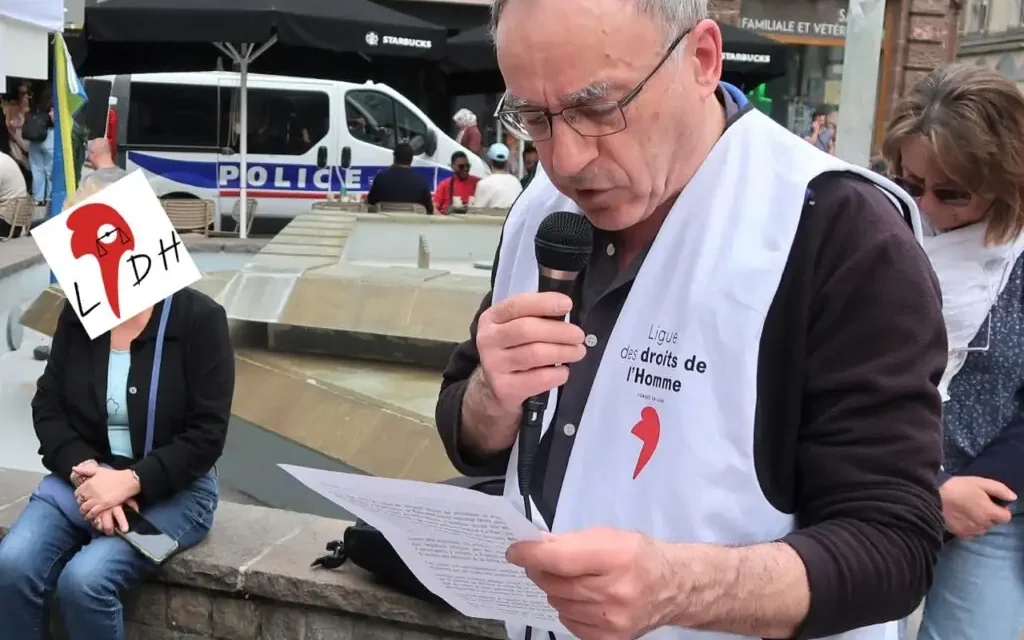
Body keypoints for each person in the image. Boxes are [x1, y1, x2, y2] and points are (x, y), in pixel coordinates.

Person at [434, 0, 947, 639]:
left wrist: (676, 586)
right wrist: (492, 397)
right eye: (534, 118)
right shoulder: (542, 212)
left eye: (599, 108)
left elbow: (894, 546)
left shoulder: (836, 228)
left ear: (702, 58)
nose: (564, 160)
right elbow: (466, 429)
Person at [0, 208, 235, 640]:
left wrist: (130, 482)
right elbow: (48, 405)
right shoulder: (80, 314)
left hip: (176, 491)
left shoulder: (199, 320)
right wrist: (86, 472)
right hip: (83, 479)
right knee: (11, 564)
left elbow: (207, 434)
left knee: (86, 582)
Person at [881, 65, 1024, 640]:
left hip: (990, 501)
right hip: (875, 484)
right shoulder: (875, 224)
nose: (928, 206)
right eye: (912, 183)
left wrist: (972, 489)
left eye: (953, 192)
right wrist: (929, 487)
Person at [367, 143, 434, 214]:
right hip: (413, 223)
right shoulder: (422, 182)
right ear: (411, 159)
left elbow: (371, 201)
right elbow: (429, 209)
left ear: (394, 158)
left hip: (385, 223)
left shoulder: (380, 178)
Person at [473, 143, 523, 209]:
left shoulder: (483, 183)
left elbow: (477, 211)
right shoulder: (516, 182)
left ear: (490, 161)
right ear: (506, 162)